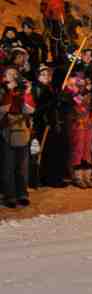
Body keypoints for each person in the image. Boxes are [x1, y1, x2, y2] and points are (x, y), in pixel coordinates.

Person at [0, 67, 36, 207]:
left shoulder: (21, 91)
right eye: (10, 74)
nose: (14, 76)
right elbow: (3, 109)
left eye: (15, 73)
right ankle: (9, 195)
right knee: (8, 164)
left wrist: (27, 93)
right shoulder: (3, 90)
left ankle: (22, 193)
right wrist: (9, 91)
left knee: (22, 164)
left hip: (21, 129)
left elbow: (30, 109)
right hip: (6, 129)